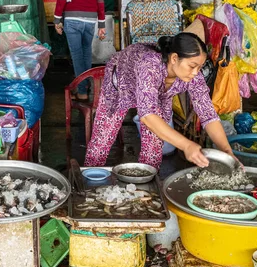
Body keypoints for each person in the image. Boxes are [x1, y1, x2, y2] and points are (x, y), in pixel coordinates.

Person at [84, 33, 236, 170]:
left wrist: (227, 152)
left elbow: (208, 114)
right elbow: (147, 115)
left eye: (200, 67)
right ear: (174, 58)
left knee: (154, 144)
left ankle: (146, 187)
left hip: (157, 94)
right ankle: (88, 179)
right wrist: (186, 145)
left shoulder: (193, 76)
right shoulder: (149, 65)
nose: (196, 72)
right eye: (192, 66)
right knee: (103, 137)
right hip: (121, 83)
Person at [54, 0, 106, 101]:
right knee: (86, 53)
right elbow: (101, 4)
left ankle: (82, 91)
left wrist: (57, 20)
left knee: (77, 56)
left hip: (72, 20)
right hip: (90, 21)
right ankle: (88, 85)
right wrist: (102, 26)